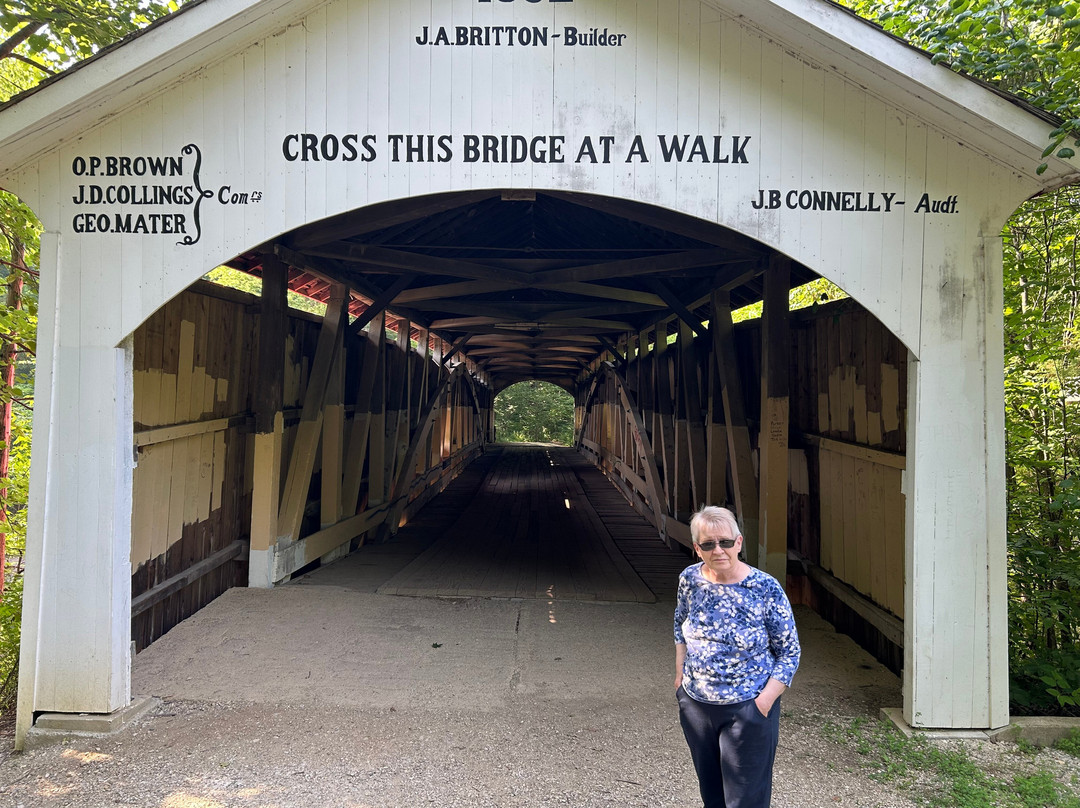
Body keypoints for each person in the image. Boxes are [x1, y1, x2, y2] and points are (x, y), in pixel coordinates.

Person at [674, 505, 801, 808]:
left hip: (747, 708)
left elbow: (790, 652)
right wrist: (679, 678)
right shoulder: (689, 579)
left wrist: (763, 704)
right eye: (708, 544)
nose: (718, 550)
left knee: (745, 800)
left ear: (739, 543)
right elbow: (680, 623)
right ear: (697, 548)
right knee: (712, 795)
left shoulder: (764, 587)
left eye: (725, 542)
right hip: (697, 705)